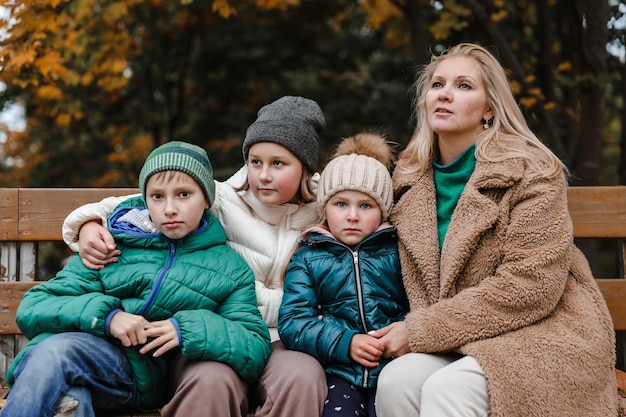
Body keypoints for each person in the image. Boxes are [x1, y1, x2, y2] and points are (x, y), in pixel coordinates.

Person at [369, 42, 618, 417]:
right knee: (396, 381)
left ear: (489, 108)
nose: (445, 94)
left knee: (449, 389)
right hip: (457, 337)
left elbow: (531, 285)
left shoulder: (530, 171)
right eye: (437, 85)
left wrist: (420, 330)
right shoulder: (406, 181)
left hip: (542, 332)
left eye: (464, 86)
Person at [60, 96, 328, 417]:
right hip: (219, 334)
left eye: (278, 164)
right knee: (210, 380)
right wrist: (89, 223)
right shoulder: (223, 198)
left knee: (304, 376)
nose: (264, 175)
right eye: (255, 162)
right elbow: (141, 201)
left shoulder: (328, 207)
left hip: (287, 339)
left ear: (306, 168)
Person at [0, 141, 271, 417]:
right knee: (70, 395)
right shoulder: (112, 247)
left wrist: (186, 329)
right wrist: (108, 318)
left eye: (184, 194)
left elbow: (254, 345)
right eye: (157, 197)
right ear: (145, 199)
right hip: (84, 358)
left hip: (141, 376)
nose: (169, 208)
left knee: (58, 359)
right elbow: (33, 306)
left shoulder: (228, 267)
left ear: (206, 199)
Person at [278, 132, 409, 417]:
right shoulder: (308, 257)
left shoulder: (397, 252)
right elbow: (293, 322)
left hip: (392, 367)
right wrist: (345, 342)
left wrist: (394, 336)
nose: (352, 216)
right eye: (341, 204)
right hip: (338, 370)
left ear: (383, 211)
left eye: (365, 205)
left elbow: (419, 303)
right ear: (325, 208)